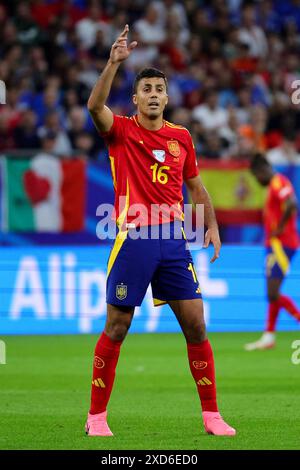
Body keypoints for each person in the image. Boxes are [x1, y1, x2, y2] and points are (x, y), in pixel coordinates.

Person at [86, 24, 236, 437]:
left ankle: (211, 416)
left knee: (196, 323)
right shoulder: (120, 131)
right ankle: (96, 417)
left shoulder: (181, 138)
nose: (153, 94)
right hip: (133, 239)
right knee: (117, 326)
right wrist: (113, 64)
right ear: (135, 98)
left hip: (172, 240)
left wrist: (212, 227)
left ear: (167, 97)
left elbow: (195, 186)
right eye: (146, 89)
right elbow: (94, 107)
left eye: (159, 89)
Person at [245, 153, 300, 351]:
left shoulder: (278, 182)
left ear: (261, 171)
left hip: (281, 244)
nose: (257, 181)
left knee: (272, 292)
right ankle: (268, 336)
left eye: (255, 176)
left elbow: (292, 204)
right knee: (272, 294)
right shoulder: (274, 185)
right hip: (276, 244)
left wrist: (280, 228)